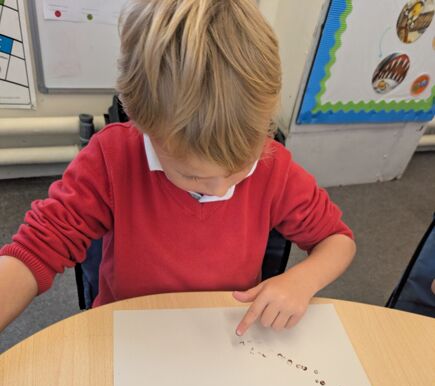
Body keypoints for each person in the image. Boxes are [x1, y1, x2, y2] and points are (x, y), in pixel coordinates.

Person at [0, 0, 355, 336]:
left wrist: (302, 280)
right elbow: (33, 254)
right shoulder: (111, 158)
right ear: (143, 125)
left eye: (240, 169)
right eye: (193, 175)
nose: (219, 190)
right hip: (132, 332)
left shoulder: (273, 165)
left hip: (225, 333)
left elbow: (337, 240)